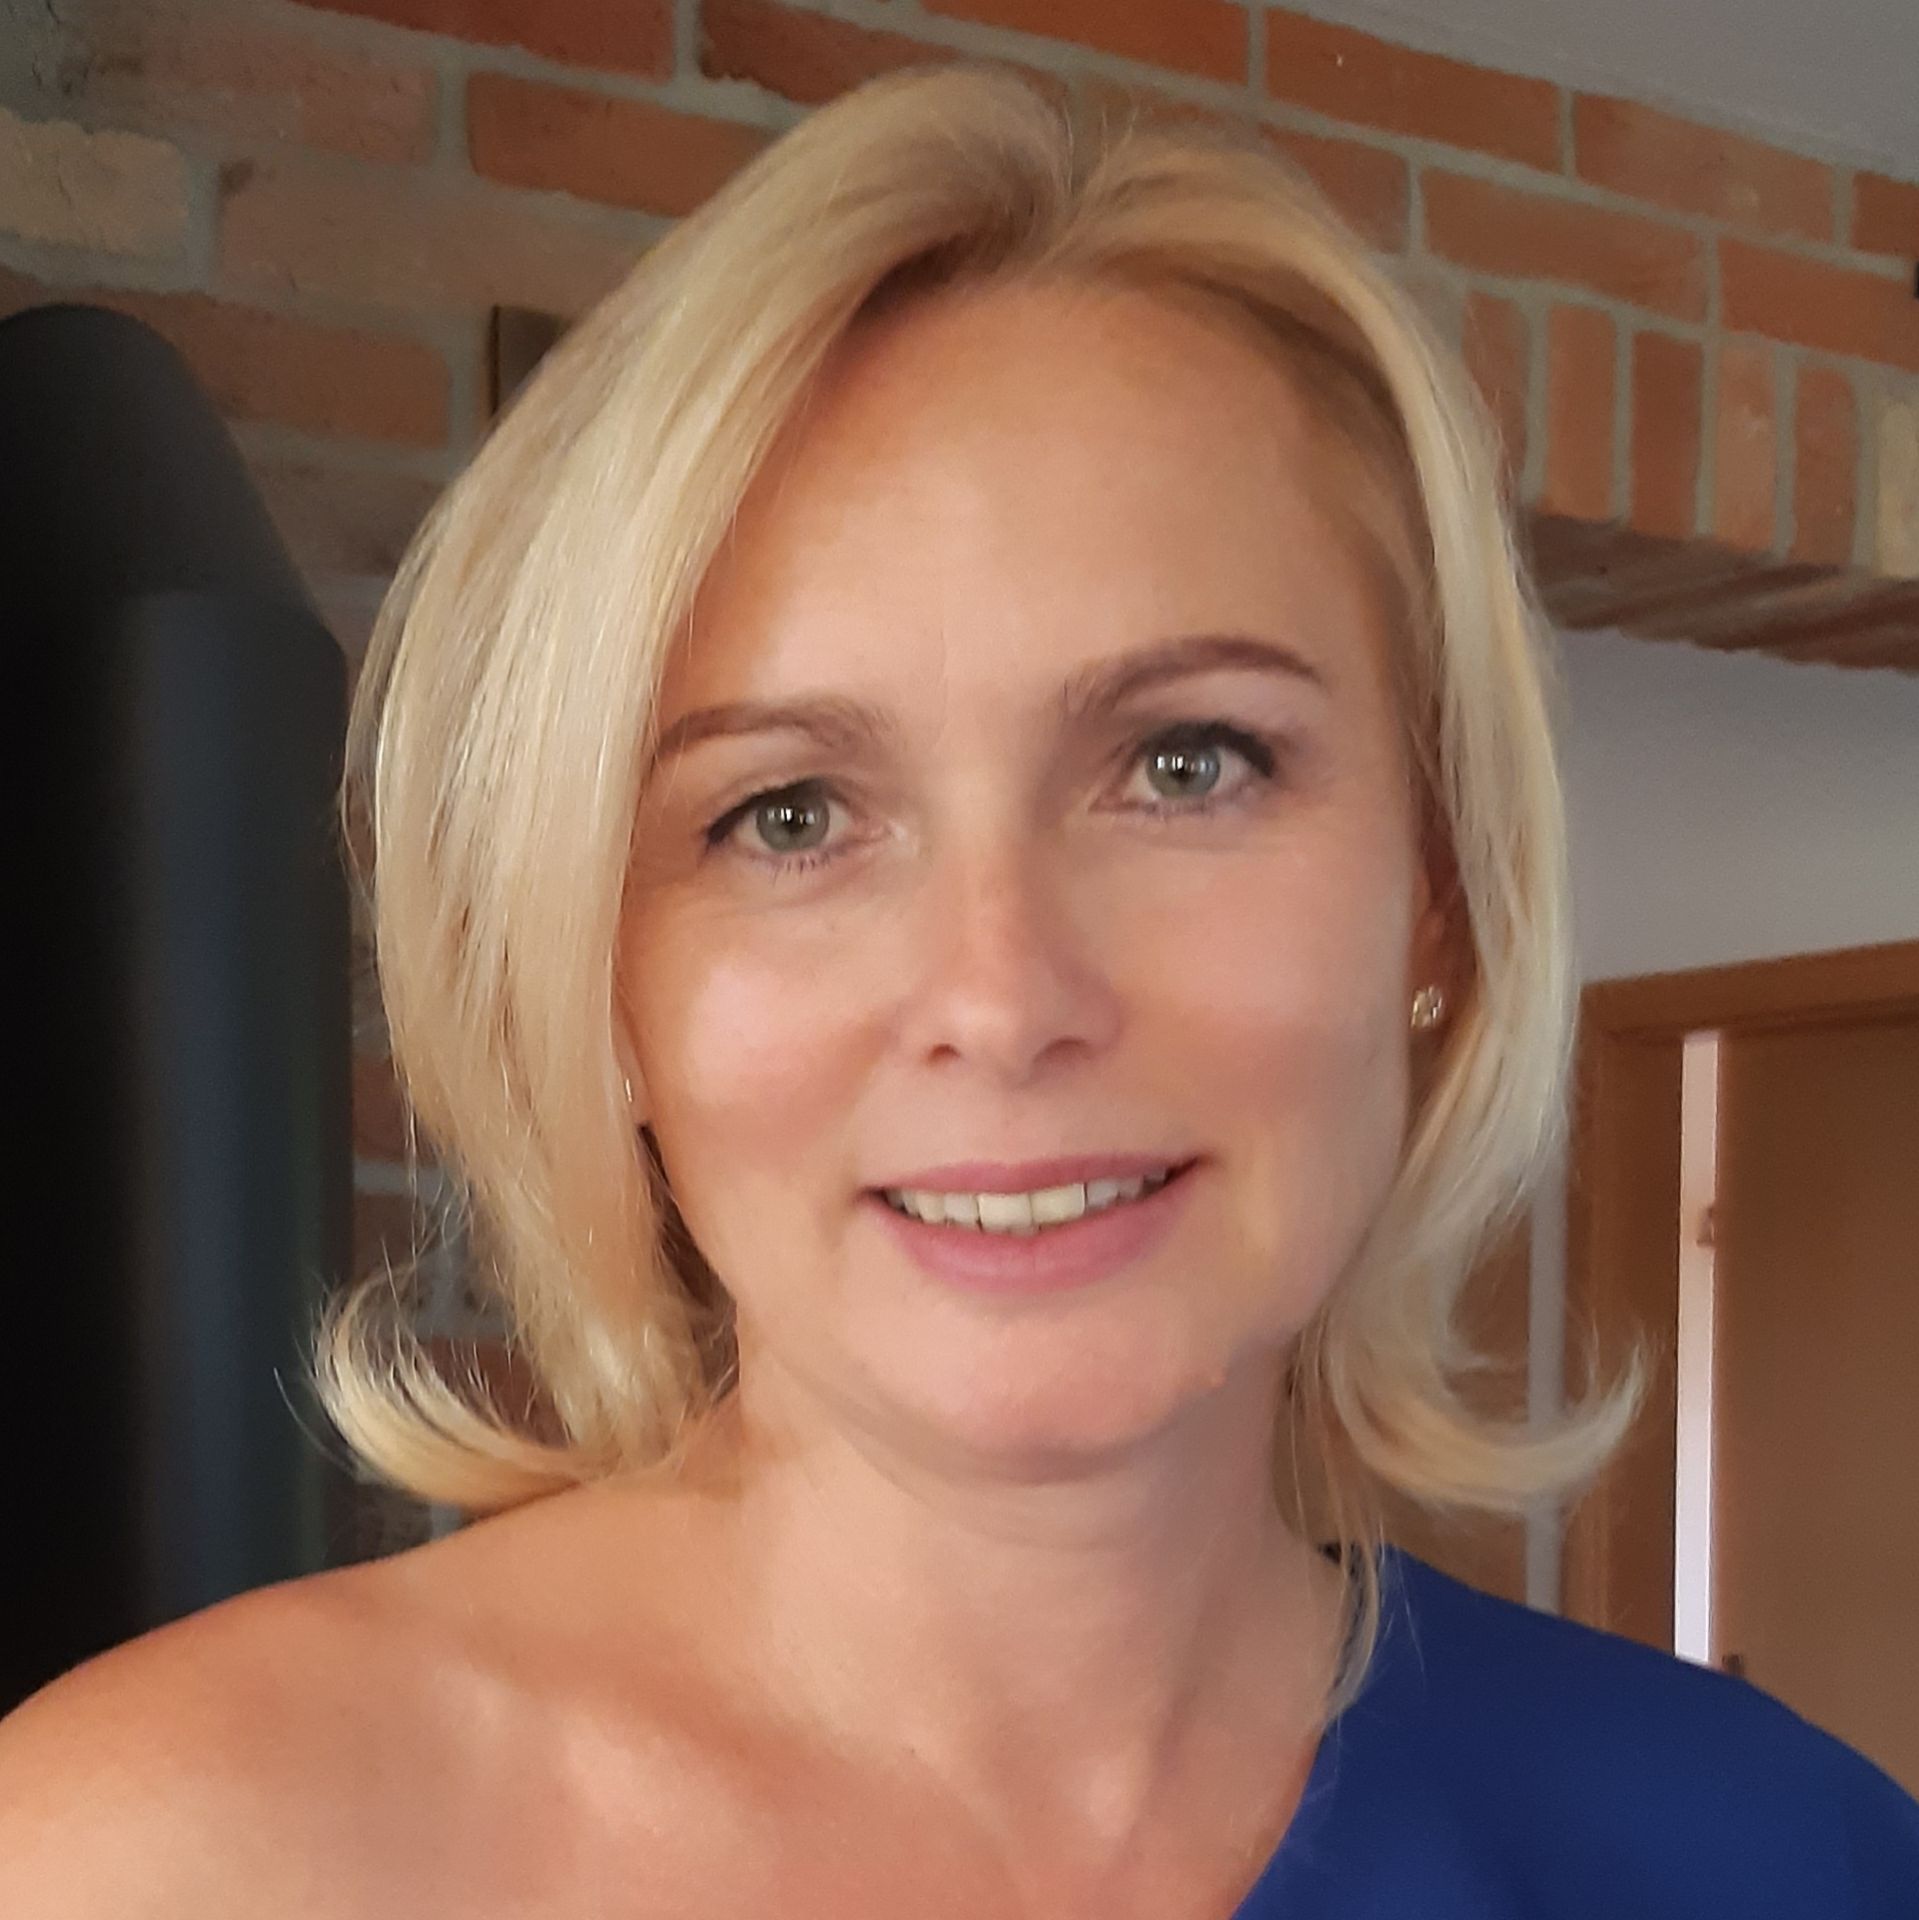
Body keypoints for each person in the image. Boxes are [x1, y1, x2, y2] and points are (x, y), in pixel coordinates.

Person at [1, 62, 1913, 1918]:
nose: (1003, 999)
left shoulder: (1783, 1858)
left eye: (1187, 764)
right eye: (788, 815)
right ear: (604, 990)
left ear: (1438, 888)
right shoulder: (153, 1858)